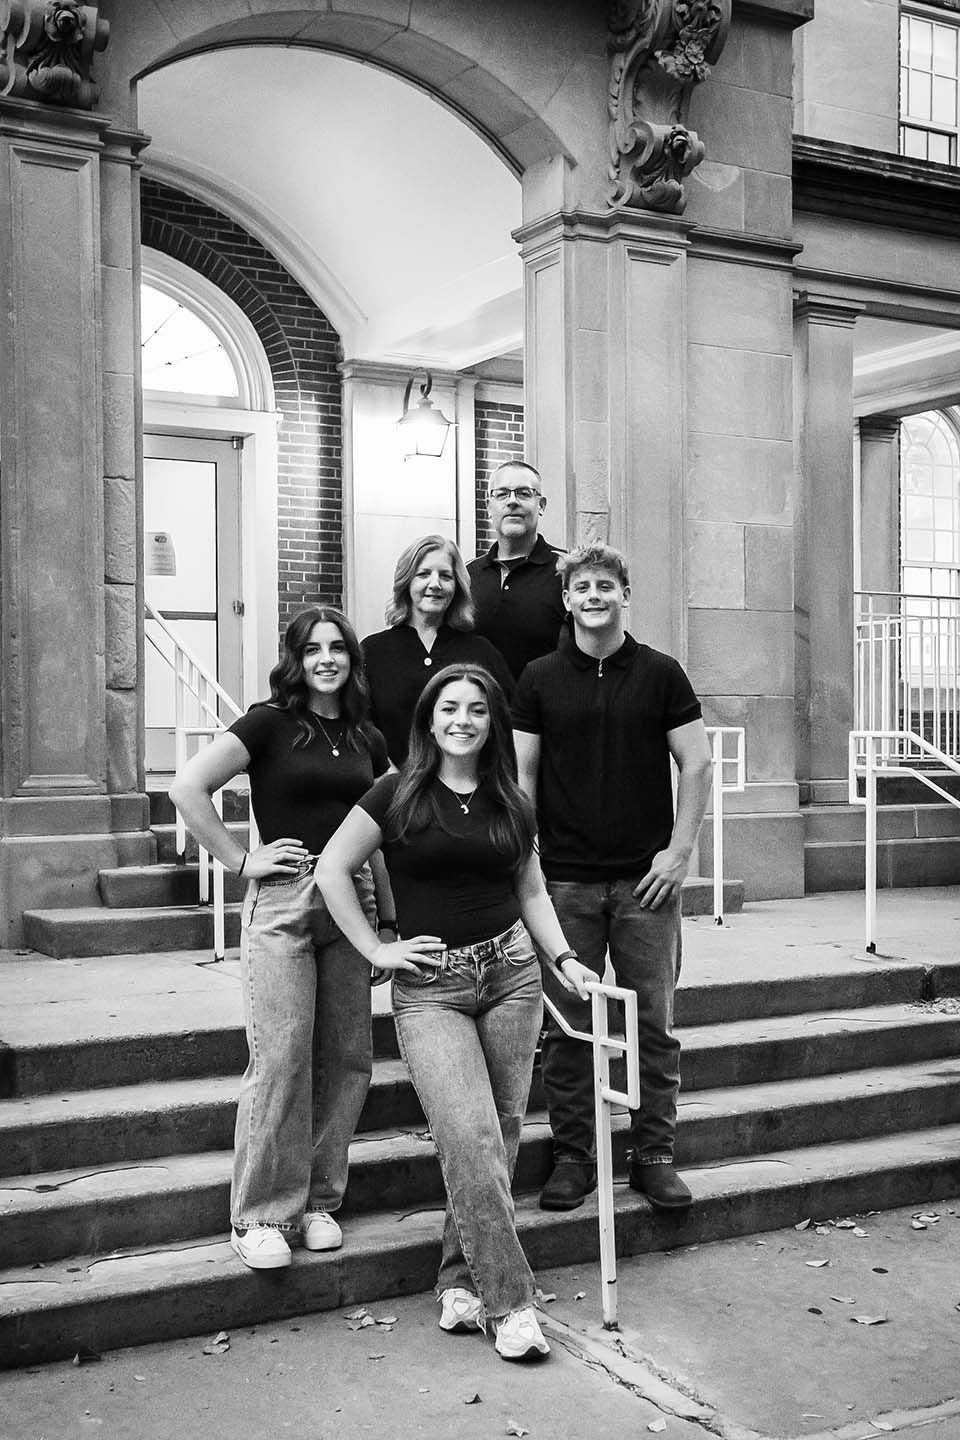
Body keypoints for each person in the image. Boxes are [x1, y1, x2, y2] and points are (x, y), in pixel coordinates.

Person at [315, 663, 593, 1359]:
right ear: (429, 719)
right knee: (468, 1137)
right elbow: (330, 868)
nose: (462, 720)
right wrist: (377, 951)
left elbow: (531, 894)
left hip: (512, 976)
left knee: (493, 1142)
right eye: (449, 708)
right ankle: (512, 1305)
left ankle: (459, 1283)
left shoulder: (510, 799)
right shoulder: (395, 793)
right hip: (431, 987)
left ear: (492, 720)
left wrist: (563, 959)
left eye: (476, 709)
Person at [169, 606, 393, 1271]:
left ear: (352, 659)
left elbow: (379, 835)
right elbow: (188, 787)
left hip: (352, 903)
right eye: (313, 648)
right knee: (283, 1056)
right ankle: (261, 1214)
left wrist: (391, 921)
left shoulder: (367, 739)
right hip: (287, 901)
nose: (327, 658)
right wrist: (241, 861)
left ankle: (318, 1202)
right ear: (295, 658)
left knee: (348, 1057)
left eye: (338, 648)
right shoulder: (269, 724)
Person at [512, 544, 713, 1214]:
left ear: (624, 594)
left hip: (645, 883)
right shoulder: (539, 678)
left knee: (653, 1022)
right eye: (581, 587)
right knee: (569, 1028)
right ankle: (576, 1157)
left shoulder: (661, 674)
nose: (593, 596)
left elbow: (697, 763)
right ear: (566, 600)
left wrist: (680, 851)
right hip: (565, 884)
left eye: (605, 585)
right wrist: (529, 860)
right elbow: (522, 779)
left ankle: (654, 1155)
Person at [362, 534, 514, 764]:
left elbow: (506, 727)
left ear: (457, 586)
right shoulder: (373, 651)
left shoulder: (480, 652)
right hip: (392, 790)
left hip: (466, 791)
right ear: (406, 582)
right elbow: (360, 725)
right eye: (423, 574)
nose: (435, 584)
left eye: (445, 576)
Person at [467, 460, 566, 679]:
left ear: (541, 505)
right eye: (502, 494)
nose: (512, 502)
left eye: (524, 493)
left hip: (545, 710)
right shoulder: (467, 576)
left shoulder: (567, 571)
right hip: (480, 710)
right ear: (488, 506)